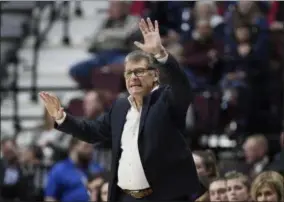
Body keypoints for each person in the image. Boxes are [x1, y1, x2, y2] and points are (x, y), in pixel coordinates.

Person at [39, 18, 199, 202]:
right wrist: (62, 118)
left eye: (139, 71)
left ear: (154, 76)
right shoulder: (121, 106)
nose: (133, 77)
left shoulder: (166, 99)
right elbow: (93, 132)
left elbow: (182, 86)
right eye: (129, 73)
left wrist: (162, 55)